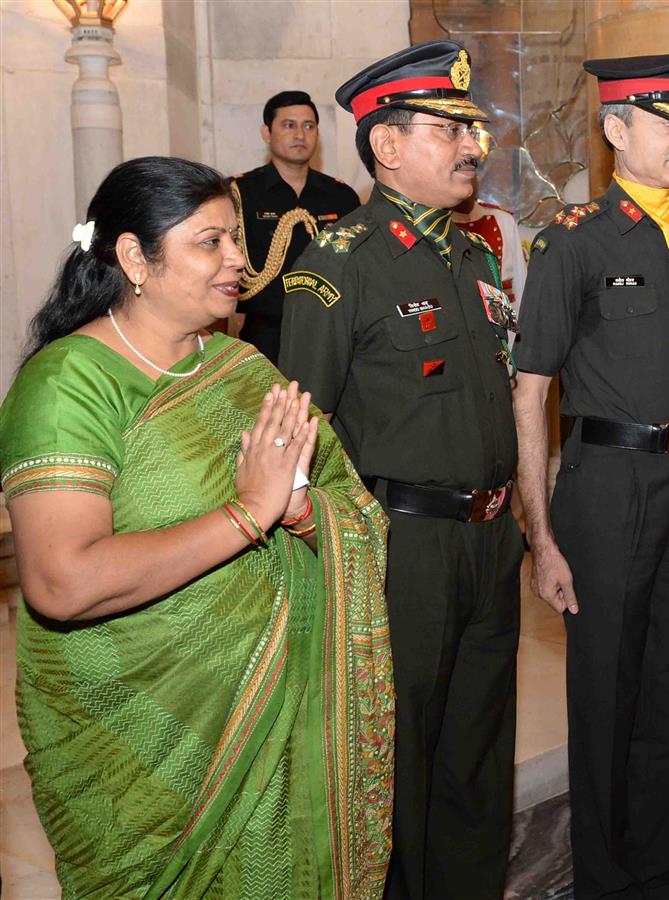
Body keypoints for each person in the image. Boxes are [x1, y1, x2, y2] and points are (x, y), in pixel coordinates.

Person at [0, 156, 392, 898]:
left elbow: (348, 503)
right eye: (210, 242)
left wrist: (305, 512)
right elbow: (61, 582)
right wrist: (247, 514)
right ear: (132, 258)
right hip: (137, 736)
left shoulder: (243, 367)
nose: (238, 260)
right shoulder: (67, 386)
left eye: (235, 240)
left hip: (278, 715)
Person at [279, 41, 521, 900]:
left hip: (492, 543)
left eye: (472, 127)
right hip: (402, 548)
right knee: (400, 759)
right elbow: (298, 431)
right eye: (449, 127)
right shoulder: (338, 267)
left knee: (480, 754)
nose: (471, 144)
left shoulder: (476, 256)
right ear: (386, 145)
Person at [512, 49, 669, 899]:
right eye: (668, 123)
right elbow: (530, 395)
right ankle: (604, 884)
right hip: (608, 483)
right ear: (615, 129)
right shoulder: (573, 242)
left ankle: (654, 875)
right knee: (605, 698)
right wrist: (542, 536)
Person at [230, 90, 360, 363]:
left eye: (308, 126)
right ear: (267, 133)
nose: (300, 135)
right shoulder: (239, 193)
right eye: (289, 125)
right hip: (264, 335)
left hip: (332, 330)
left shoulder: (342, 196)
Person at [453, 182, 528, 348]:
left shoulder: (502, 220)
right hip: (459, 317)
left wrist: (522, 335)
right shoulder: (435, 226)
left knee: (505, 364)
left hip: (502, 311)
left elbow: (520, 281)